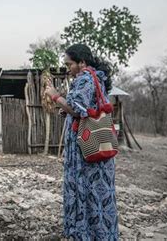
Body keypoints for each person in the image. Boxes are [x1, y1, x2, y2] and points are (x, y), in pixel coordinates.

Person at [45, 44, 118, 240]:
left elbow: (77, 109)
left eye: (70, 64)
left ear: (82, 62)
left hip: (85, 152)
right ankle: (96, 233)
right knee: (96, 193)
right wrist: (66, 109)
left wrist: (55, 96)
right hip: (92, 146)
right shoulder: (94, 77)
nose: (68, 69)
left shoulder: (85, 77)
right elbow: (85, 108)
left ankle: (85, 234)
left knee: (87, 190)